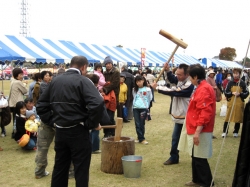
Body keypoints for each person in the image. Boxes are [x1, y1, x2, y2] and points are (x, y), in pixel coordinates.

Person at [37, 56, 104, 187]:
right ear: (84, 67)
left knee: (60, 168)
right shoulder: (83, 81)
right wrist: (90, 124)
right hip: (78, 130)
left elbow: (40, 105)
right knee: (81, 170)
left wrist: (53, 121)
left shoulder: (55, 81)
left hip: (61, 130)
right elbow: (98, 102)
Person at [178, 64, 216, 187]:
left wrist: (198, 132)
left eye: (190, 77)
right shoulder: (200, 87)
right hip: (194, 126)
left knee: (200, 157)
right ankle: (196, 179)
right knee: (194, 155)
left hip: (200, 128)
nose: (189, 80)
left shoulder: (204, 88)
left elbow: (205, 112)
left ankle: (207, 182)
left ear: (195, 76)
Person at [158, 63, 194, 165]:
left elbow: (175, 91)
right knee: (175, 138)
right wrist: (168, 70)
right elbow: (172, 79)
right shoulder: (181, 80)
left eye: (180, 75)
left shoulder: (190, 84)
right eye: (177, 74)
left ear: (187, 74)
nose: (177, 76)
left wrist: (158, 88)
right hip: (179, 115)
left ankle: (196, 158)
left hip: (188, 116)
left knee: (191, 139)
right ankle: (174, 157)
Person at [222, 68, 249, 138]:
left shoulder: (243, 83)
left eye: (237, 73)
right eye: (234, 73)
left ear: (240, 74)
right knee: (228, 117)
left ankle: (236, 131)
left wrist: (240, 94)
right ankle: (225, 131)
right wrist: (232, 93)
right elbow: (226, 91)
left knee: (238, 117)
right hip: (231, 102)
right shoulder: (230, 83)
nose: (235, 75)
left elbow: (247, 92)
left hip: (239, 102)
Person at [101, 56, 120, 137]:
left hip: (113, 97)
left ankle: (112, 133)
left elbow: (114, 84)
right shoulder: (104, 73)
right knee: (105, 116)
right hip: (105, 97)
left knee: (111, 116)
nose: (108, 65)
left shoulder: (116, 72)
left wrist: (105, 89)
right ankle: (106, 133)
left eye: (109, 63)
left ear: (112, 64)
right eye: (106, 64)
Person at [8, 68, 28, 138]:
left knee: (15, 119)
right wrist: (25, 83)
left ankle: (14, 132)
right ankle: (18, 133)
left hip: (12, 103)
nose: (22, 76)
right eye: (20, 74)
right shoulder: (18, 82)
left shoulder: (12, 81)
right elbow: (25, 91)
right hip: (18, 103)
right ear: (16, 75)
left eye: (22, 74)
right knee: (20, 119)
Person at [132, 75, 152, 145]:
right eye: (137, 82)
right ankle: (141, 138)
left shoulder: (148, 89)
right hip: (135, 108)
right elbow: (134, 97)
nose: (138, 83)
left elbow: (150, 98)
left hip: (143, 108)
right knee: (137, 124)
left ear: (143, 81)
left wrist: (147, 106)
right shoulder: (134, 89)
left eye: (140, 81)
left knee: (142, 123)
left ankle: (141, 137)